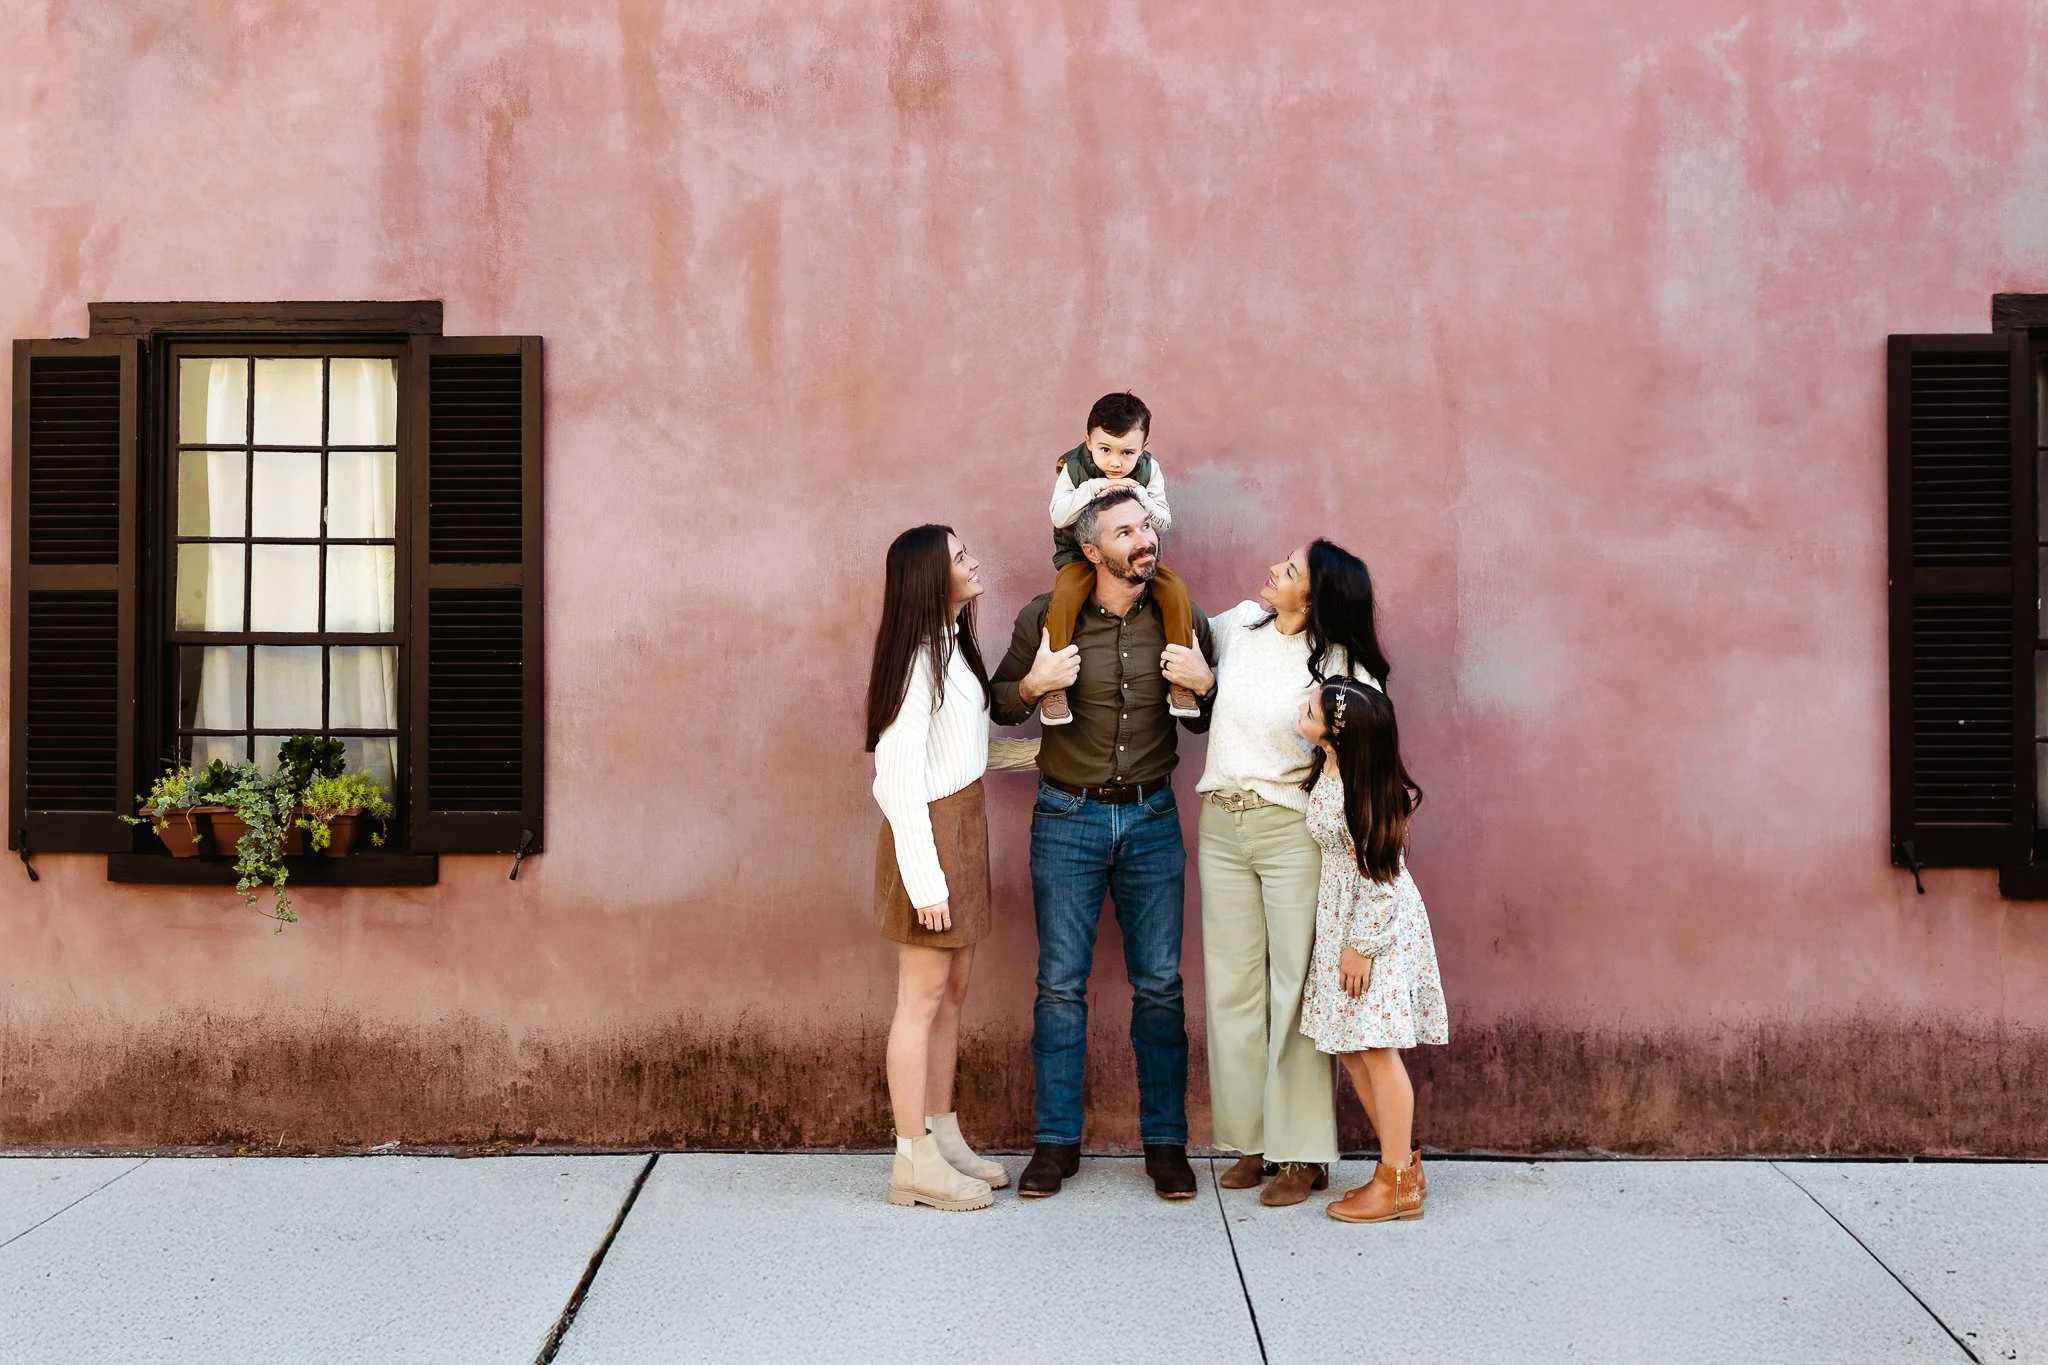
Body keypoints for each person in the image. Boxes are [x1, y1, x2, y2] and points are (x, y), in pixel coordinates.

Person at [990, 487, 1218, 1200]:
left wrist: (1205, 686)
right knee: (1060, 986)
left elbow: (1206, 719)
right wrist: (1034, 682)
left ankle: (1166, 1144)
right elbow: (999, 701)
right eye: (1126, 530)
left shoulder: (1182, 616)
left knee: (1160, 986)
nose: (1143, 539)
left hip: (1152, 819)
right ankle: (1055, 1143)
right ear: (1092, 549)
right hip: (1068, 819)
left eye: (1146, 525)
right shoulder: (1046, 616)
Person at [1197, 541, 1392, 1207]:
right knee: (1232, 986)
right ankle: (1254, 1139)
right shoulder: (1239, 625)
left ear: (1317, 599)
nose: (1276, 567)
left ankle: (1303, 1152)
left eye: (1293, 568)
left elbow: (1370, 754)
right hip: (1221, 821)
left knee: (1296, 989)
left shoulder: (1345, 664)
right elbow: (1175, 618)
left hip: (1292, 832)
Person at [865, 525, 1009, 1212]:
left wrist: (1043, 756)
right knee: (919, 1002)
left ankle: (943, 1133)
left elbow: (960, 753)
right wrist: (926, 883)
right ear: (930, 577)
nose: (972, 561)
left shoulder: (953, 647)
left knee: (951, 995)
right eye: (958, 557)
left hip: (963, 826)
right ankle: (912, 1157)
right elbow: (897, 780)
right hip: (928, 838)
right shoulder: (917, 660)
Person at [1296, 678, 1447, 1223]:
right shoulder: (1331, 765)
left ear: (1339, 731)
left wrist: (1361, 946)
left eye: (1310, 707)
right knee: (1354, 1049)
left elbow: (1383, 877)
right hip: (1344, 922)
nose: (1301, 708)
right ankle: (1401, 1168)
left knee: (1377, 1050)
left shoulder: (1365, 787)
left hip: (1372, 928)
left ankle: (1395, 1184)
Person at [1038, 392, 1201, 726]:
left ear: (1143, 446)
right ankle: (1054, 687)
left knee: (1175, 592)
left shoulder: (1149, 470)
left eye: (1127, 452)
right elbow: (1058, 516)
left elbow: (1164, 522)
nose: (1115, 462)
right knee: (1066, 596)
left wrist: (1138, 494)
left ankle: (1180, 680)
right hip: (1080, 554)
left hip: (1136, 558)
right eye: (1105, 450)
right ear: (1088, 441)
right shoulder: (1073, 466)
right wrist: (1094, 487)